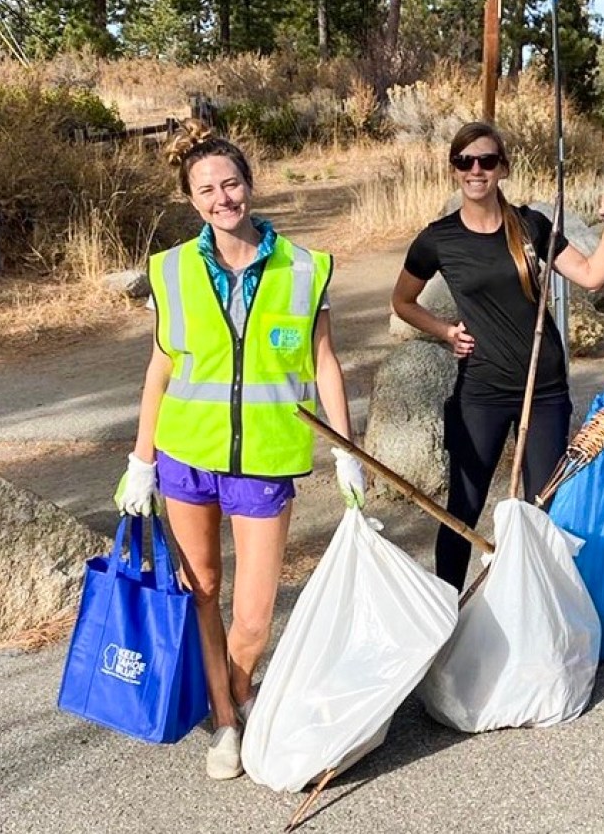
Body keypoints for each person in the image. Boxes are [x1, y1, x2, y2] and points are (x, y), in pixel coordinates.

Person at [115, 119, 366, 779]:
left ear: (250, 186)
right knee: (202, 592)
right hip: (185, 457)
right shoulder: (169, 271)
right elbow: (161, 369)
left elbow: (326, 361)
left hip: (265, 459)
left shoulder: (307, 268)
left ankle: (238, 683)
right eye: (207, 189)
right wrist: (142, 460)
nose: (222, 197)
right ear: (192, 200)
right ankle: (227, 720)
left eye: (231, 182)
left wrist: (348, 451)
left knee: (251, 616)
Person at [391, 121, 604, 592]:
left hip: (543, 390)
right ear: (454, 168)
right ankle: (448, 613)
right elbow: (402, 302)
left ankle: (544, 615)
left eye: (486, 160)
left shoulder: (531, 226)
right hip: (480, 390)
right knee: (462, 507)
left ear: (502, 167)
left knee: (544, 510)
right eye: (465, 161)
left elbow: (591, 276)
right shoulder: (438, 239)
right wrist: (444, 332)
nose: (475, 170)